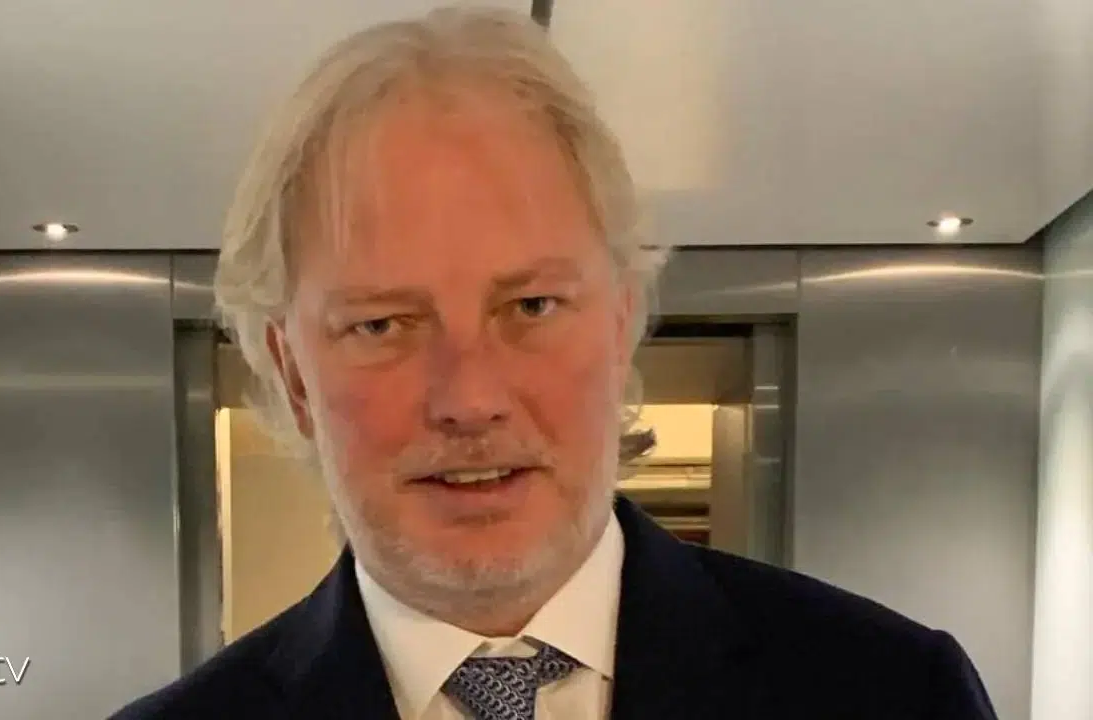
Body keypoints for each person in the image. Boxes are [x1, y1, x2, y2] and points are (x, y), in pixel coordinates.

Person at [110, 7, 997, 719]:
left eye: (531, 306)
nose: (470, 398)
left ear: (621, 321)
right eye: (382, 324)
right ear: (293, 374)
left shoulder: (893, 693)